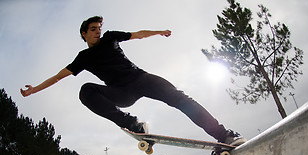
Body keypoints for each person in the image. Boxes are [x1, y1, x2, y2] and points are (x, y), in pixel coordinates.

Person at [21, 16, 246, 146]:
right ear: (83, 34)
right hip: (121, 93)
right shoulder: (83, 58)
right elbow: (59, 77)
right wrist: (34, 91)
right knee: (86, 91)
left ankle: (223, 134)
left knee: (179, 98)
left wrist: (159, 32)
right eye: (93, 29)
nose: (98, 32)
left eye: (99, 28)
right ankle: (132, 123)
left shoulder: (110, 37)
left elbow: (137, 34)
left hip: (141, 79)